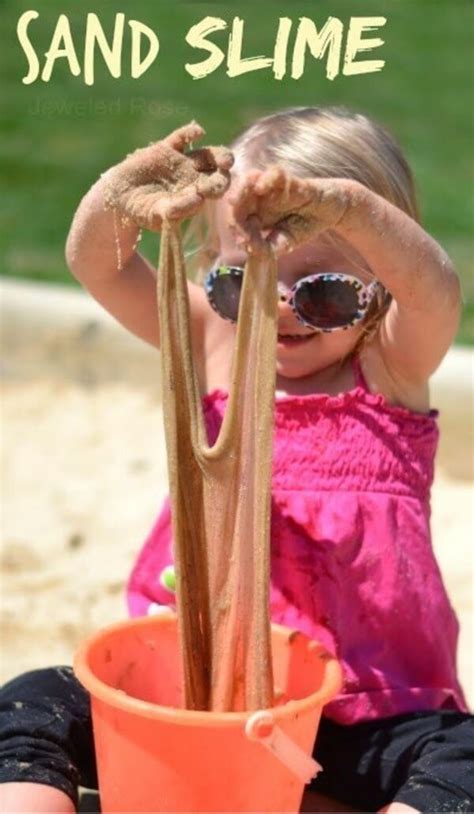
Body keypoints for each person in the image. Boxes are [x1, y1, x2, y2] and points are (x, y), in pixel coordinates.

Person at [1, 107, 472, 813]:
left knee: (463, 758)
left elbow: (434, 285)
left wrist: (342, 206)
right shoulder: (215, 343)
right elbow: (96, 262)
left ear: (378, 289)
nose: (279, 306)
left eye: (325, 292)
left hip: (362, 712)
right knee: (30, 706)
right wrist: (122, 191)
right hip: (194, 694)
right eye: (239, 279)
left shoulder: (390, 368)